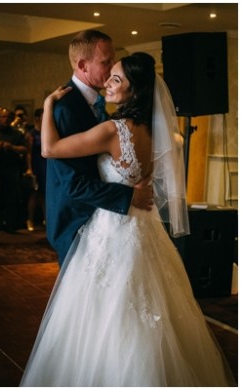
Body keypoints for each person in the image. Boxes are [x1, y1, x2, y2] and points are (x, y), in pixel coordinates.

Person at [21, 52, 236, 386]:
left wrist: (48, 105)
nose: (108, 82)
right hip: (145, 227)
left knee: (105, 312)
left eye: (117, 79)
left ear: (134, 90)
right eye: (110, 75)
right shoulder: (159, 133)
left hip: (111, 229)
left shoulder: (112, 130)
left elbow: (49, 149)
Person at [44, 30, 151, 265]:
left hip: (108, 222)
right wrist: (129, 195)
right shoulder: (65, 109)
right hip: (76, 222)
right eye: (106, 62)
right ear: (83, 65)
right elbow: (72, 182)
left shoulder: (111, 113)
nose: (113, 67)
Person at [25, 108, 46, 231]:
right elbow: (28, 153)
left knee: (45, 194)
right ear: (37, 118)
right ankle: (30, 219)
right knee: (34, 194)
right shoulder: (31, 134)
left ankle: (46, 219)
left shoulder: (49, 131)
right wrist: (30, 169)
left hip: (47, 164)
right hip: (36, 164)